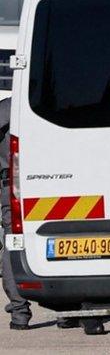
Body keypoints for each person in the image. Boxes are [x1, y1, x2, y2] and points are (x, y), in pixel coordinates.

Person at [0, 97, 30, 330]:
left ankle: (19, 312)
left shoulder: (6, 108)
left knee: (13, 241)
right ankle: (67, 312)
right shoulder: (45, 103)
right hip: (55, 180)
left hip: (12, 184)